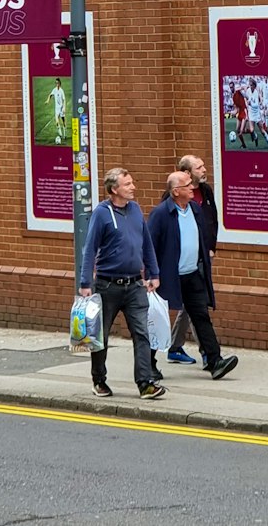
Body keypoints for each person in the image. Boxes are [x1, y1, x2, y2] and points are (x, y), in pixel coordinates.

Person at [79, 167, 166, 399]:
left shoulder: (136, 210)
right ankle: (99, 380)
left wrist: (153, 273)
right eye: (127, 184)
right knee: (101, 336)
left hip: (135, 285)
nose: (133, 187)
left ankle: (145, 383)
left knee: (142, 333)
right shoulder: (101, 213)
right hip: (107, 286)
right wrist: (85, 282)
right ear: (114, 189)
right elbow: (90, 250)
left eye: (132, 182)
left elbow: (146, 243)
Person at [147, 171, 237, 382]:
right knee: (157, 318)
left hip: (192, 273)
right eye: (187, 185)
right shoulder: (161, 213)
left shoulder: (195, 209)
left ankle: (215, 362)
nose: (191, 188)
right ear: (176, 191)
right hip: (168, 276)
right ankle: (148, 364)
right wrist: (151, 274)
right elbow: (149, 245)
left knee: (201, 316)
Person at [166, 154, 219, 365]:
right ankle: (207, 353)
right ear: (187, 173)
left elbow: (212, 220)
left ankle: (175, 347)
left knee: (194, 304)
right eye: (199, 167)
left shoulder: (205, 192)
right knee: (197, 305)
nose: (204, 170)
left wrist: (211, 248)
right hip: (182, 263)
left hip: (203, 257)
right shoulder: (170, 200)